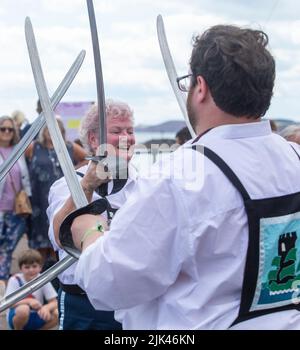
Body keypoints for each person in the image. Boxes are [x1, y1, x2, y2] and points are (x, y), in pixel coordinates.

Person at [70, 25, 300, 330]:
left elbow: (111, 282)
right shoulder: (294, 158)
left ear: (201, 87)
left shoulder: (178, 176)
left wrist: (88, 232)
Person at [47, 99, 137, 330]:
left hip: (131, 301)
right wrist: (87, 186)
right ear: (94, 140)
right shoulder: (67, 183)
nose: (127, 137)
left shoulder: (145, 183)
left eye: (130, 130)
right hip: (83, 305)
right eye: (117, 131)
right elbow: (59, 236)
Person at [25, 118, 87, 269]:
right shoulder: (34, 147)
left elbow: (86, 159)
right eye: (48, 129)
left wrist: (74, 172)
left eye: (56, 129)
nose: (51, 132)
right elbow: (22, 167)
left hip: (61, 198)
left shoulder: (69, 147)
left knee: (59, 233)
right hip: (39, 198)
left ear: (62, 132)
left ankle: (57, 274)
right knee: (39, 238)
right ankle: (38, 274)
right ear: (43, 131)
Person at [0, 116, 31, 298]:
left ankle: (3, 283)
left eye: (10, 129)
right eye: (2, 129)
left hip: (16, 208)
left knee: (8, 248)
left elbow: (25, 178)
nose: (6, 132)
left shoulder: (18, 151)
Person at [4, 249, 58, 330]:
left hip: (37, 314)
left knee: (57, 313)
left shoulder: (42, 279)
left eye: (34, 266)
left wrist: (47, 307)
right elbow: (7, 303)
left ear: (40, 267)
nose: (31, 270)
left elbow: (54, 301)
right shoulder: (15, 280)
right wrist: (29, 301)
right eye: (27, 267)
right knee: (23, 309)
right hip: (17, 315)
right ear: (21, 268)